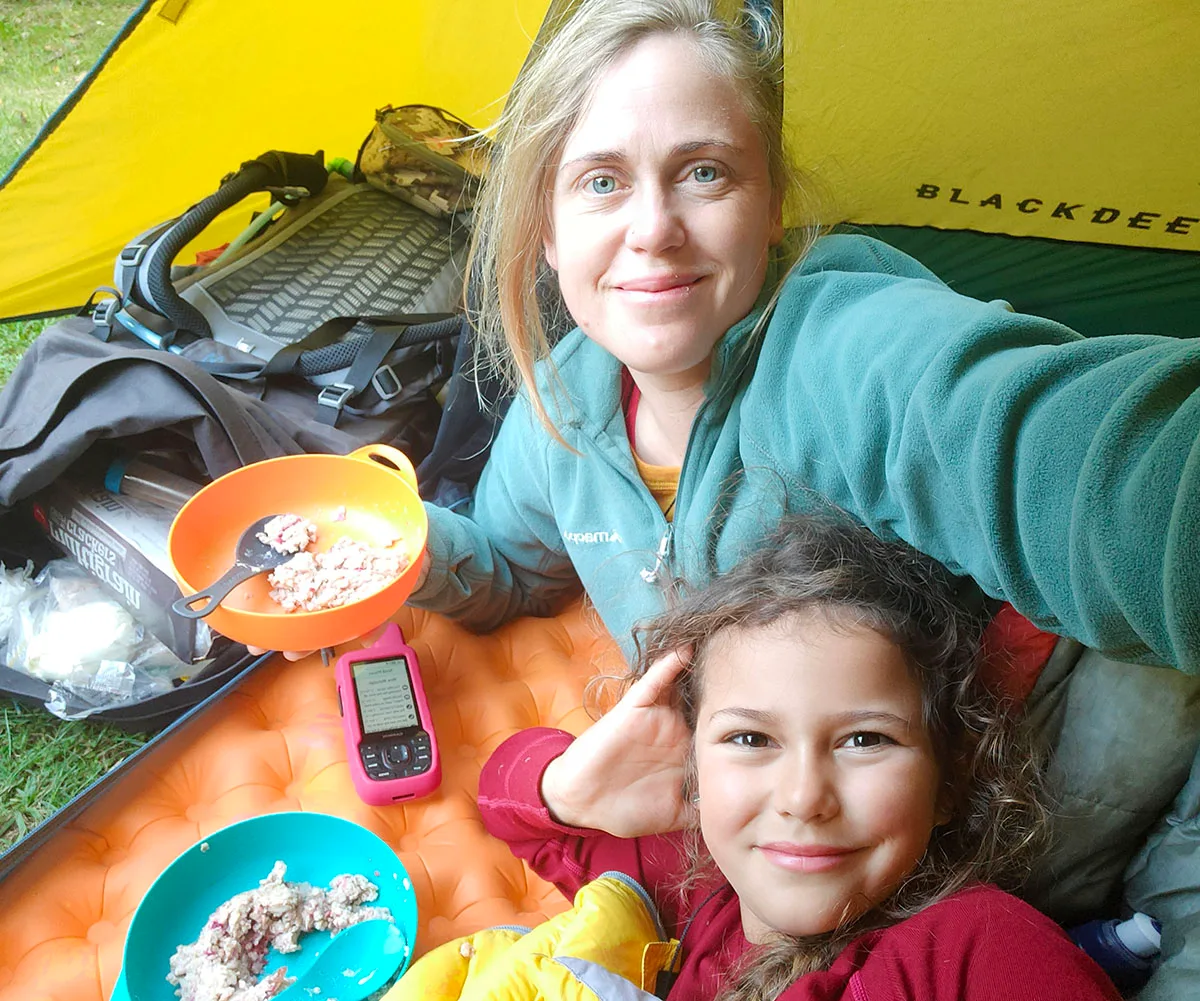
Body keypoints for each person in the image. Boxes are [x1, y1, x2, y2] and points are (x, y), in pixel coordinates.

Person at [258, 0, 1199, 992]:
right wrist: (376, 536)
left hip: (1020, 779)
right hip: (774, 831)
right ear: (545, 224)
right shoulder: (566, 407)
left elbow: (1102, 467)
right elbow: (501, 567)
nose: (653, 229)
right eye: (602, 181)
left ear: (771, 195)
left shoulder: (849, 352)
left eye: (704, 171)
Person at [475, 515, 1121, 1000]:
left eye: (865, 739)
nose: (804, 796)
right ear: (694, 766)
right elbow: (503, 800)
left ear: (948, 777)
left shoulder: (975, 949)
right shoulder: (700, 878)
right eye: (751, 739)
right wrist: (571, 791)